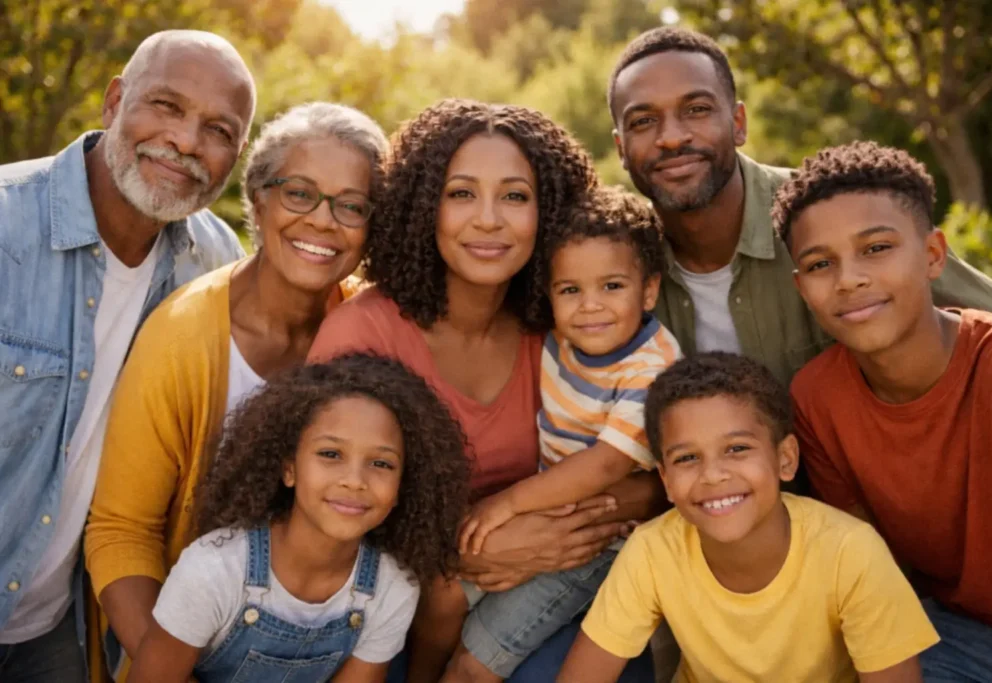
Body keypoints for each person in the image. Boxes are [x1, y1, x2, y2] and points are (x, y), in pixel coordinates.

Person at [308, 99, 661, 682]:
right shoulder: (364, 334)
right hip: (383, 611)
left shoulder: (570, 328)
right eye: (462, 193)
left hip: (533, 581)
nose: (489, 219)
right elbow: (326, 512)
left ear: (548, 213)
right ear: (425, 207)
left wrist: (537, 534)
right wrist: (463, 547)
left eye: (515, 196)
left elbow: (654, 480)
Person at [82, 101, 389, 682]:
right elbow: (121, 534)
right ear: (258, 197)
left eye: (351, 205)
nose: (323, 221)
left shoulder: (372, 329)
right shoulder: (181, 339)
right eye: (299, 193)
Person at [0, 29, 254, 681]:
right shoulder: (6, 225)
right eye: (165, 106)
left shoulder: (213, 264)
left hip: (52, 626)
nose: (186, 141)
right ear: (114, 103)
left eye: (218, 130)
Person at [606, 26, 992, 387]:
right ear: (621, 148)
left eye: (696, 110)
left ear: (738, 124)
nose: (672, 137)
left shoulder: (829, 210)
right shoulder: (617, 263)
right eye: (643, 121)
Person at [780, 142, 992, 681]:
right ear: (802, 289)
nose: (848, 279)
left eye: (876, 248)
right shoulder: (816, 400)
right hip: (947, 637)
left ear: (934, 254)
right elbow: (872, 572)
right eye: (820, 264)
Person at [557, 352, 940, 683]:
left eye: (737, 448)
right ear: (666, 481)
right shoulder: (652, 552)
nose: (713, 474)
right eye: (687, 458)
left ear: (785, 459)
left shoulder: (850, 552)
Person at [438, 186, 682, 682]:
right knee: (438, 590)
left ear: (649, 290)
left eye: (612, 286)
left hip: (598, 542)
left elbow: (608, 465)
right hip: (546, 507)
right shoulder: (558, 337)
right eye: (570, 290)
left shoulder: (650, 369)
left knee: (475, 660)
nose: (590, 306)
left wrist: (507, 504)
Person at [126, 354, 471, 683]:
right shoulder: (213, 572)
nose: (354, 480)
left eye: (381, 463)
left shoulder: (392, 588)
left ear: (403, 486)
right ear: (289, 468)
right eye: (330, 454)